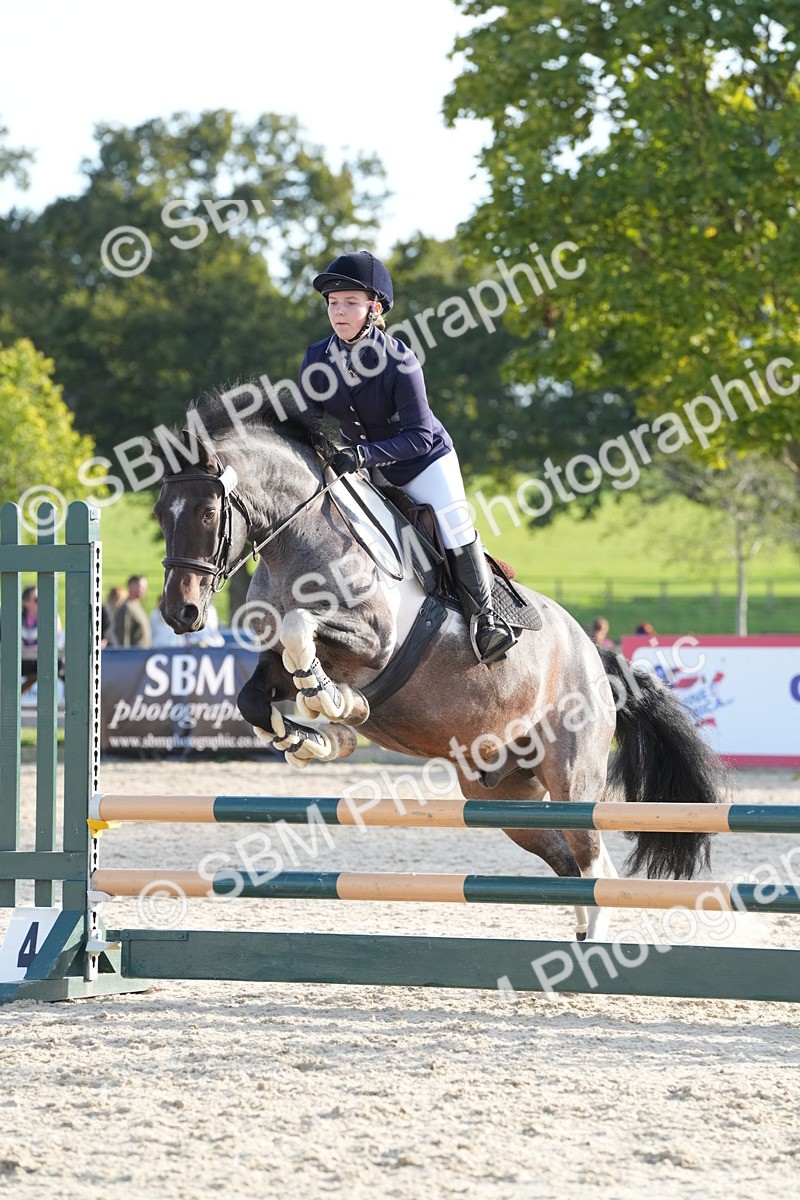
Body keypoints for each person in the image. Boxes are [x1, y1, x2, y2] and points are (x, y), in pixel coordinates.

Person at [296, 251, 516, 665]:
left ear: (374, 308)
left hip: (423, 461)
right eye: (332, 303)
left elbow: (418, 435)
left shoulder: (400, 361)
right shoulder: (317, 357)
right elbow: (308, 420)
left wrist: (359, 455)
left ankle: (486, 621)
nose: (338, 312)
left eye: (349, 303)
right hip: (365, 467)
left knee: (454, 523)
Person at [113, 576, 152, 647]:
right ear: (131, 586)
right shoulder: (127, 608)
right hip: (134, 655)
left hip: (144, 654)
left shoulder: (138, 606)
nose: (144, 590)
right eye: (141, 587)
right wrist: (125, 654)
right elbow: (123, 636)